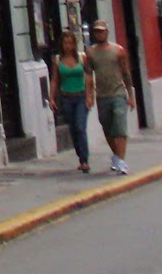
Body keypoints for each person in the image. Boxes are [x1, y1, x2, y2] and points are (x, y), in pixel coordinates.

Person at [85, 18, 136, 174]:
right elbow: (88, 74)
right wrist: (89, 95)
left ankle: (121, 161)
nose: (99, 34)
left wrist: (130, 95)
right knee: (107, 127)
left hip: (118, 93)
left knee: (120, 126)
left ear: (107, 32)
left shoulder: (118, 50)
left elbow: (126, 73)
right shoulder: (91, 52)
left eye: (102, 31)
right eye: (97, 31)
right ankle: (116, 155)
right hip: (102, 95)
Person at [49, 28, 93, 173]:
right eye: (65, 43)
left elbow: (88, 76)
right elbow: (54, 80)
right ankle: (80, 157)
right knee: (73, 129)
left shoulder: (82, 58)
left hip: (81, 97)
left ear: (74, 44)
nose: (68, 46)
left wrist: (89, 96)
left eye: (70, 43)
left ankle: (85, 159)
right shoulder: (57, 60)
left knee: (80, 127)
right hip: (66, 97)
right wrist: (51, 98)